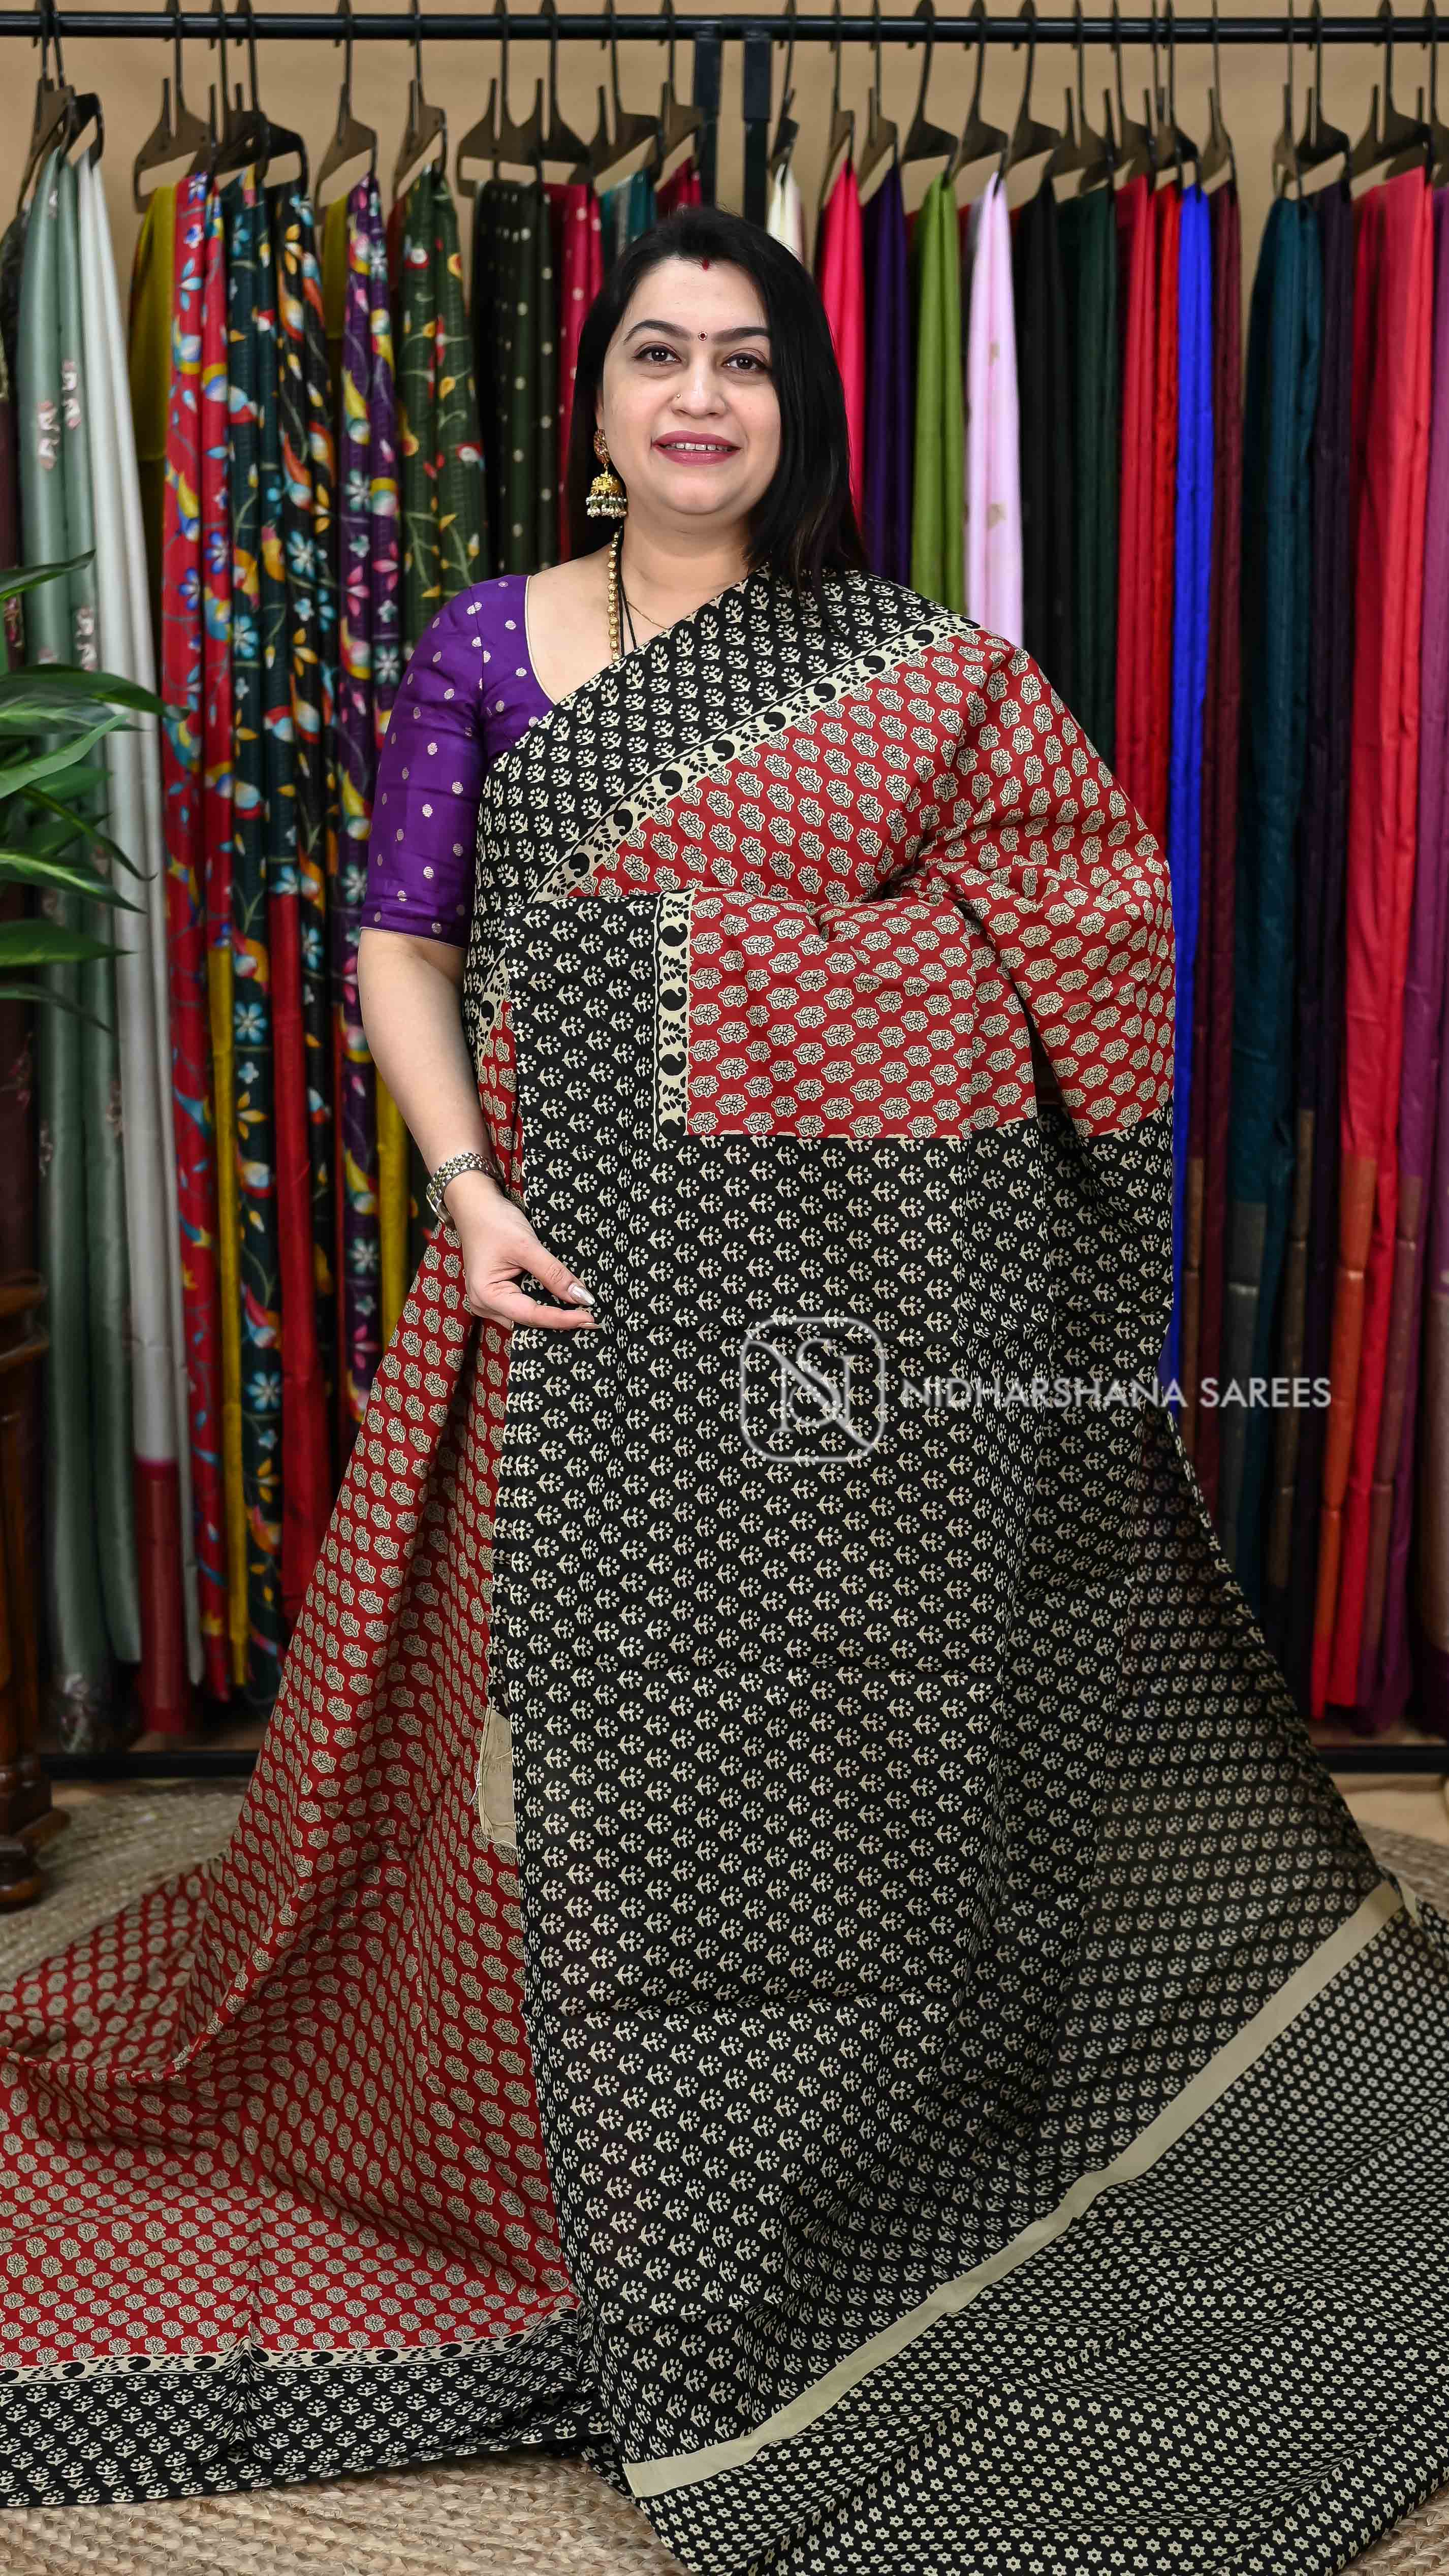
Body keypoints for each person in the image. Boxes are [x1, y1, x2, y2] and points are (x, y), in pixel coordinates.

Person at [1, 206, 1447, 2576]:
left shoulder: (914, 670)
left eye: (746, 358)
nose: (698, 396)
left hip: (839, 1337)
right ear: (589, 402)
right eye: (657, 353)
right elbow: (401, 937)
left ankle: (826, 2127)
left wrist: (712, 977)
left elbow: (1084, 932)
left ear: (800, 408)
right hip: (558, 1300)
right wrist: (467, 1182)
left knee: (822, 1720)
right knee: (524, 1742)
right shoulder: (489, 644)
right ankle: (530, 2143)